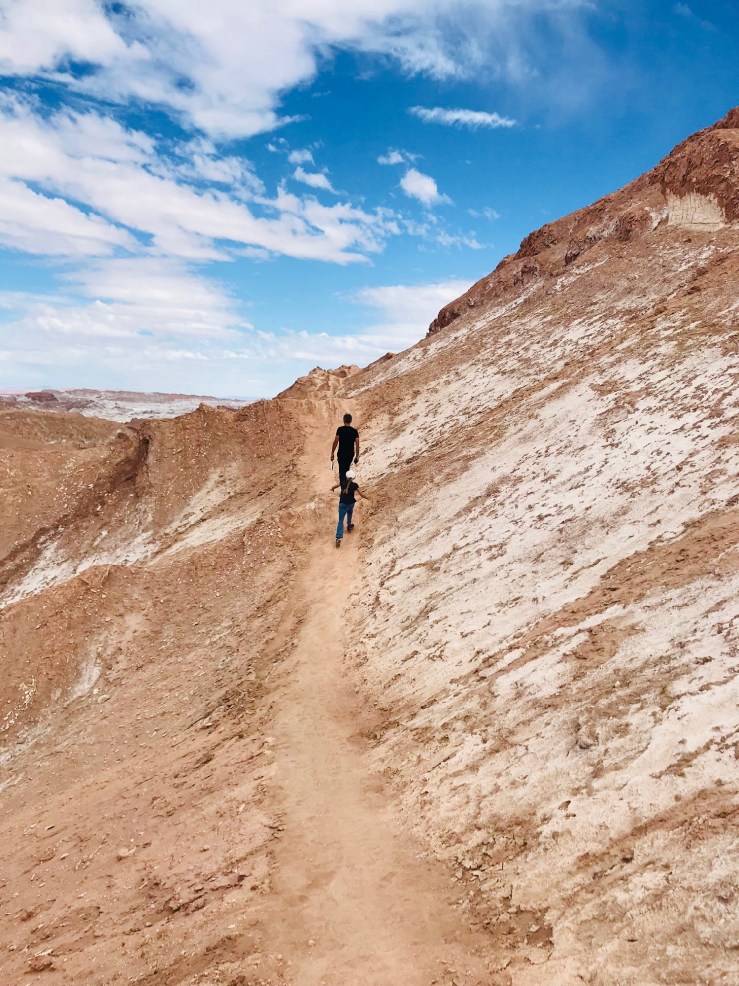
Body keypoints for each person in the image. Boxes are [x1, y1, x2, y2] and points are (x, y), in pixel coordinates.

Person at [331, 469, 369, 547]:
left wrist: (332, 489)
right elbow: (361, 495)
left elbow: (334, 486)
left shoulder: (342, 482)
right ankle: (349, 526)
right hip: (351, 503)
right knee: (350, 512)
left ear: (346, 477)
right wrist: (368, 498)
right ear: (353, 478)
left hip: (342, 503)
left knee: (341, 520)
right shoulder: (355, 485)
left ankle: (338, 537)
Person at [331, 413, 359, 487]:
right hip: (350, 454)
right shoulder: (354, 431)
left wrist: (332, 453)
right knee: (347, 470)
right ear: (351, 421)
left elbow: (336, 441)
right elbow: (357, 444)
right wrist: (357, 456)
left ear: (343, 420)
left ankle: (343, 489)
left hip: (341, 453)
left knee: (341, 471)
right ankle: (346, 487)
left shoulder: (340, 429)